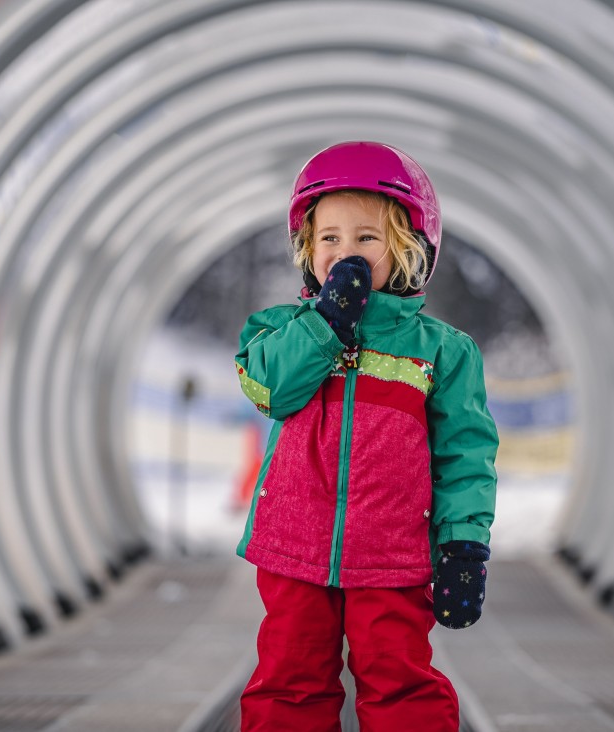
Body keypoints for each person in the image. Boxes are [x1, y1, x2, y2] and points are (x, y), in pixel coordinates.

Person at [233, 140, 498, 731]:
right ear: (307, 248)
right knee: (288, 681)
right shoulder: (282, 329)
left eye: (366, 238)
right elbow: (270, 391)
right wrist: (327, 324)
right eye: (329, 237)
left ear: (407, 248)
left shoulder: (442, 351)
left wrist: (463, 545)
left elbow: (465, 456)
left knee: (400, 683)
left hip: (392, 557)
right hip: (295, 550)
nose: (345, 252)